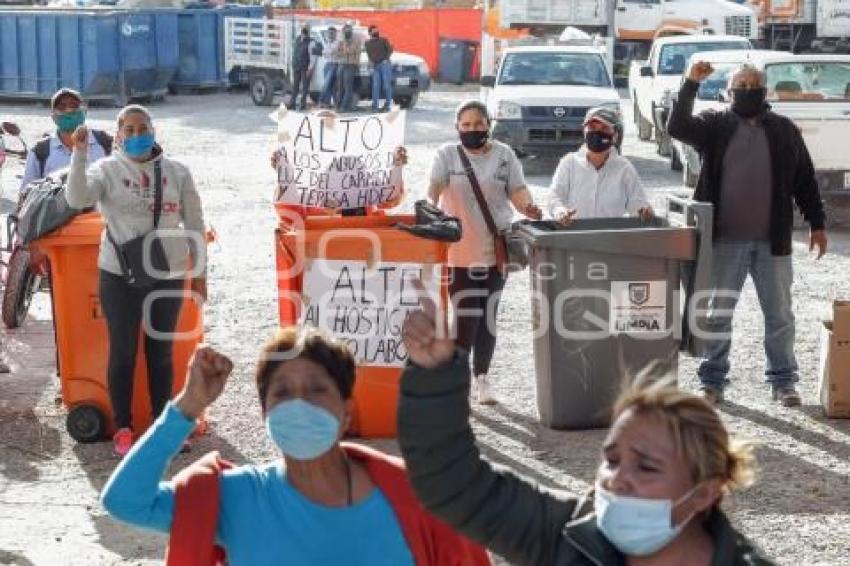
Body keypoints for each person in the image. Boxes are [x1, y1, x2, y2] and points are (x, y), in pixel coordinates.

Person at [397, 291, 775, 565]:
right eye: (611, 460)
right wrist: (435, 374)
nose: (616, 479)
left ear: (704, 493)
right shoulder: (563, 536)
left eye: (646, 466)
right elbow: (454, 487)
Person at [100, 327, 491, 566]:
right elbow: (125, 501)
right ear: (264, 413)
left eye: (317, 389)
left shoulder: (416, 500)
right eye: (282, 392)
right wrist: (188, 406)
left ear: (347, 413)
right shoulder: (237, 497)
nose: (299, 403)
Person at [667, 62, 827, 407]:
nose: (747, 88)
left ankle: (784, 382)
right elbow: (677, 126)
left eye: (754, 83)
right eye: (741, 83)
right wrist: (690, 82)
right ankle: (712, 382)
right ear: (729, 91)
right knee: (717, 314)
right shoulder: (715, 125)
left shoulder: (784, 130)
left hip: (774, 242)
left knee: (780, 315)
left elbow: (805, 180)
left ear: (764, 91)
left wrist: (818, 223)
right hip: (724, 241)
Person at [66, 105, 207, 457]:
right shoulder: (107, 170)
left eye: (142, 127)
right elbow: (77, 197)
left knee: (160, 354)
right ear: (118, 135)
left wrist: (200, 275)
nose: (135, 134)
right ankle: (124, 428)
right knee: (124, 352)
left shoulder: (177, 173)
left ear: (154, 130)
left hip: (168, 274)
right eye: (128, 129)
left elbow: (195, 224)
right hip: (119, 273)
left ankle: (164, 429)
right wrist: (79, 156)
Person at [428, 100, 542, 405]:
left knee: (488, 315)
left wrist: (529, 207)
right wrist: (428, 209)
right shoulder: (446, 155)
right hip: (459, 251)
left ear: (488, 125)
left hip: (496, 249)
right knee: (466, 316)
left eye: (479, 124)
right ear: (457, 127)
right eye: (466, 125)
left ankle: (482, 377)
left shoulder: (504, 156)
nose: (473, 130)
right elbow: (434, 187)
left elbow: (517, 192)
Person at [549, 107, 652, 225]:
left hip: (611, 238)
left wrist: (644, 212)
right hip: (574, 237)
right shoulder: (569, 163)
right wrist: (560, 212)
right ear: (584, 132)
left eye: (604, 128)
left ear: (615, 135)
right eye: (592, 128)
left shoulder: (624, 168)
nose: (597, 133)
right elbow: (554, 197)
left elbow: (638, 203)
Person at [20, 88, 112, 190]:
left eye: (74, 105)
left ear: (84, 111)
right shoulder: (40, 151)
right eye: (61, 107)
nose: (68, 110)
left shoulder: (104, 142)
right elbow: (27, 193)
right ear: (53, 116)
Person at [365, 25, 394, 113]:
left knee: (386, 85)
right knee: (376, 86)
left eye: (376, 30)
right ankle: (375, 106)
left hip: (384, 64)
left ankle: (388, 105)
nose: (376, 32)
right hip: (375, 66)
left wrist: (385, 59)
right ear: (369, 33)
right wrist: (370, 63)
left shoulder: (383, 40)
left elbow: (390, 50)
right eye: (373, 31)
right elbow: (369, 54)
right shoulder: (367, 43)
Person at [290, 25, 316, 112]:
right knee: (295, 86)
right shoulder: (297, 39)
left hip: (305, 67)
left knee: (305, 87)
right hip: (297, 66)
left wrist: (310, 68)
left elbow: (313, 57)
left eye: (305, 29)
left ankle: (302, 104)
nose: (304, 31)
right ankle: (292, 104)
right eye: (303, 29)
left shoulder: (311, 42)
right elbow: (294, 52)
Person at [337, 24, 362, 112]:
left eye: (348, 31)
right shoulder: (341, 40)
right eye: (345, 31)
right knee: (340, 87)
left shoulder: (356, 40)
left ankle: (344, 107)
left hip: (351, 65)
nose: (346, 32)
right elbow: (338, 53)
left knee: (348, 88)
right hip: (342, 65)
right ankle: (338, 106)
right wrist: (343, 43)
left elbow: (353, 51)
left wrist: (347, 43)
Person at [319, 26, 340, 109]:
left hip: (334, 64)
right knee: (329, 85)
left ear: (335, 34)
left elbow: (332, 51)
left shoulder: (337, 42)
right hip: (327, 64)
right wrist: (328, 52)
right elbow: (324, 53)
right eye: (329, 33)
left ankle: (322, 101)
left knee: (328, 84)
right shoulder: (327, 42)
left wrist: (328, 52)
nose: (330, 34)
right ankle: (327, 103)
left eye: (332, 33)